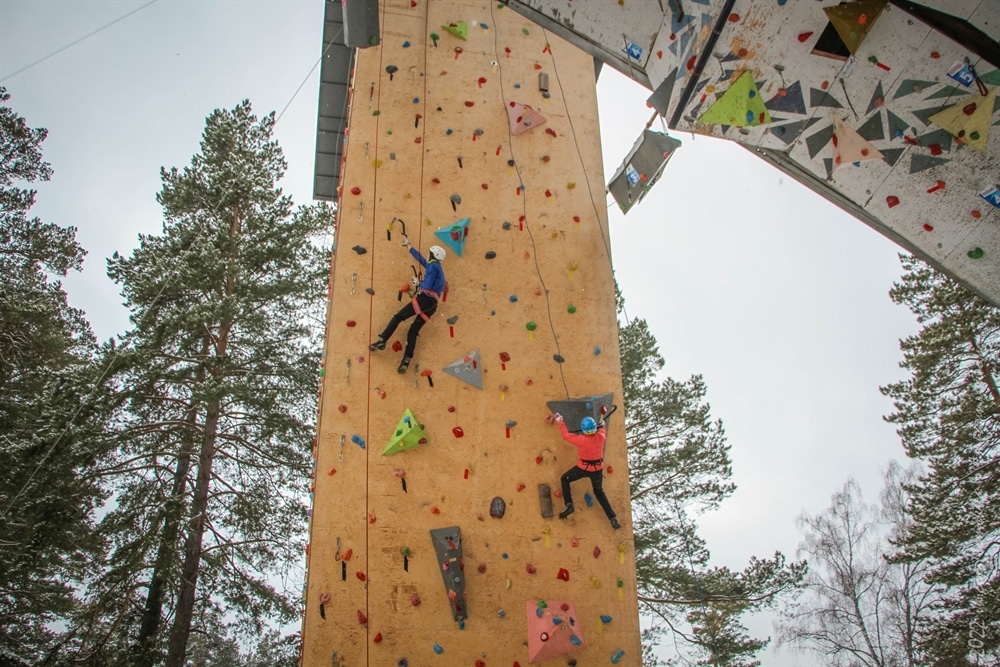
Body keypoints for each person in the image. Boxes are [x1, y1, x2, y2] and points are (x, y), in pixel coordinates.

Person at [369, 240, 446, 374]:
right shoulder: (435, 267)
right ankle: (406, 359)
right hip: (432, 306)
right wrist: (409, 246)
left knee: (398, 317)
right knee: (412, 331)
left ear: (433, 255)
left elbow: (427, 285)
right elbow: (421, 259)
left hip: (425, 299)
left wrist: (419, 283)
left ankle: (382, 340)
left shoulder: (433, 267)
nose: (427, 255)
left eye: (429, 253)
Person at [551, 410, 620, 529]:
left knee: (565, 479)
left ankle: (569, 504)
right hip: (597, 471)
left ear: (583, 430)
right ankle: (613, 519)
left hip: (582, 468)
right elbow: (603, 429)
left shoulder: (580, 439)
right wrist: (602, 424)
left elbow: (566, 435)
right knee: (599, 493)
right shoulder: (601, 437)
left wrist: (560, 420)